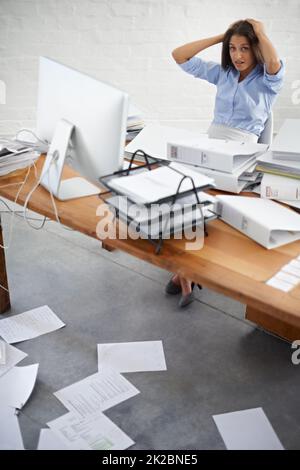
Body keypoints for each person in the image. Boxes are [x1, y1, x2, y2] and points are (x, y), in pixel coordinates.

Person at [168, 18, 285, 308]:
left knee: (204, 201)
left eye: (245, 48)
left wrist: (259, 31)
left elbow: (273, 61)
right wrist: (222, 36)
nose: (238, 55)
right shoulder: (224, 73)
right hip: (211, 144)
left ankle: (187, 269)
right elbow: (179, 56)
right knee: (180, 193)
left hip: (243, 150)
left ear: (256, 48)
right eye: (233, 49)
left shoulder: (268, 80)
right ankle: (187, 266)